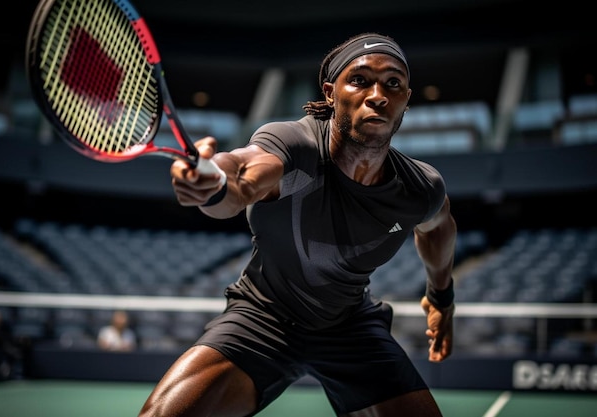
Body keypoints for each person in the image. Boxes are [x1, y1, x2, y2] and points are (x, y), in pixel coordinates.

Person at [139, 32, 457, 417]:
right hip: (262, 318)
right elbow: (242, 175)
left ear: (405, 99)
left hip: (350, 327)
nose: (377, 94)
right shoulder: (294, 144)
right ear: (330, 92)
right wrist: (213, 185)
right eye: (359, 80)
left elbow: (438, 228)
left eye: (393, 83)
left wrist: (441, 298)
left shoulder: (419, 188)